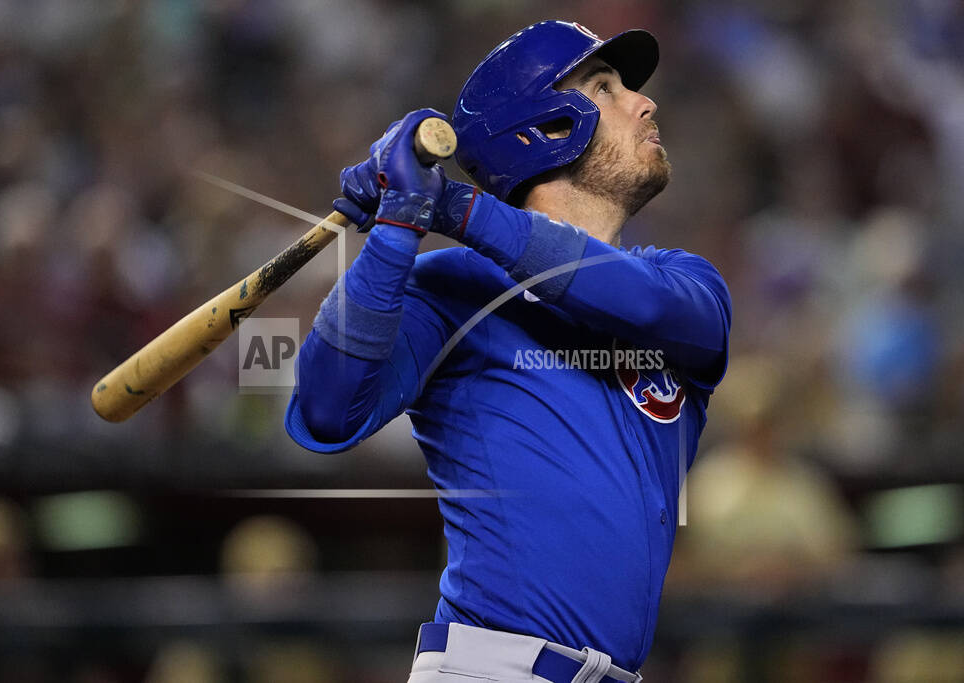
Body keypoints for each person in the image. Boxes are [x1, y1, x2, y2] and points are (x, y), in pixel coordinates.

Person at [284, 20, 731, 683]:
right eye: (605, 87)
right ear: (548, 127)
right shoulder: (453, 290)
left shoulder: (685, 283)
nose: (645, 102)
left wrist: (454, 208)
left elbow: (642, 305)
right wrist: (393, 229)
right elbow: (326, 411)